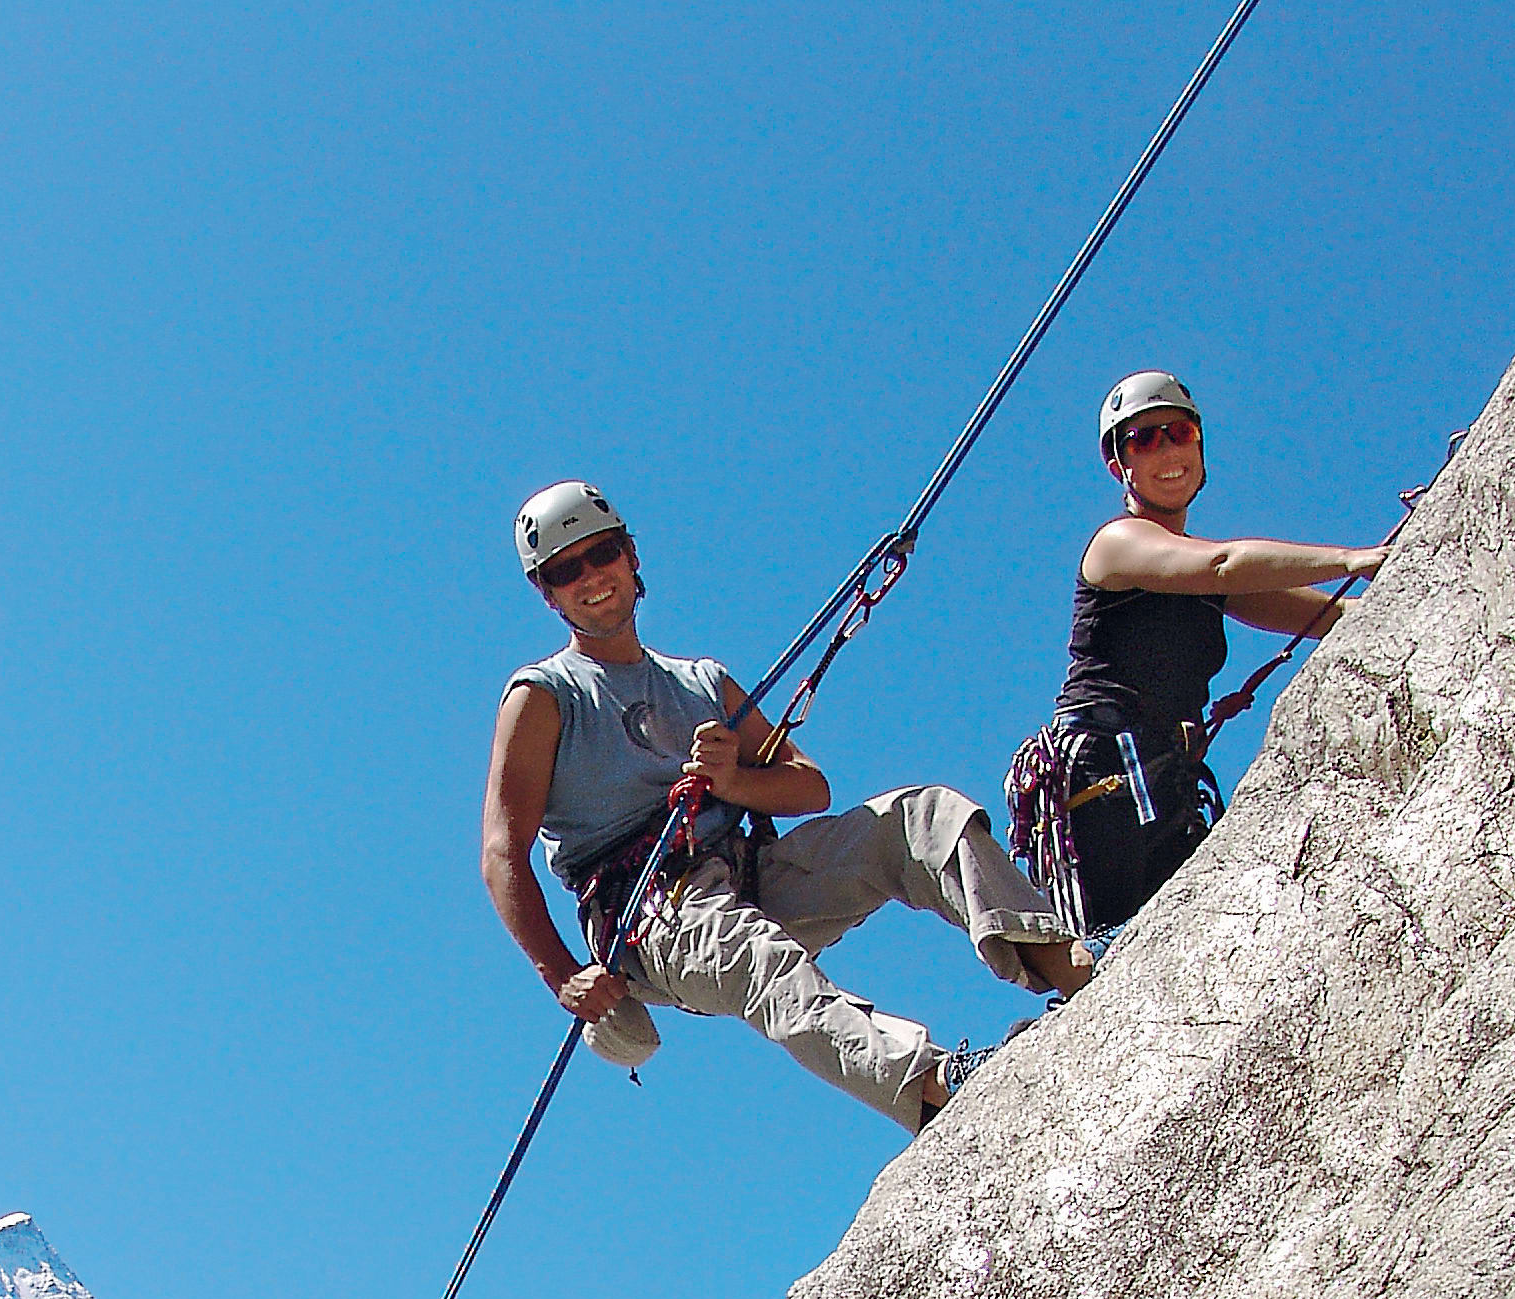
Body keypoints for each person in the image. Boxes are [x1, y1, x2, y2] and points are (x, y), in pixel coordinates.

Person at [481, 482, 1087, 1135]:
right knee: (757, 954)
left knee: (920, 817)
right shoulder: (545, 695)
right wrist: (563, 976)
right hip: (654, 916)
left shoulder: (701, 683)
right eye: (565, 571)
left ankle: (1066, 965)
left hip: (747, 871)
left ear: (630, 556)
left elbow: (809, 786)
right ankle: (934, 1086)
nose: (590, 578)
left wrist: (732, 781)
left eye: (600, 554)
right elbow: (500, 853)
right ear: (547, 593)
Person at [1007, 372, 1392, 936]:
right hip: (1105, 765)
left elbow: (1322, 616)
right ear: (1120, 467)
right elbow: (1223, 564)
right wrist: (1353, 560)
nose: (1166, 449)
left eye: (1178, 432)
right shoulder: (1117, 544)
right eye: (1143, 440)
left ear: (1198, 444)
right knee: (1117, 935)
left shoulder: (1197, 573)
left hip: (1163, 769)